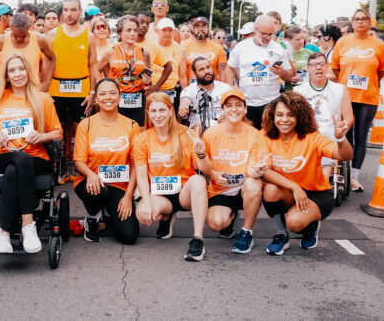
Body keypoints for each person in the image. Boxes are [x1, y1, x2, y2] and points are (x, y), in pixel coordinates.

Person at [0, 52, 63, 253]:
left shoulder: (42, 99)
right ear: (6, 75)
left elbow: (57, 131)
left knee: (17, 167)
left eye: (21, 68)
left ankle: (3, 233)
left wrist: (41, 137)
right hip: (3, 154)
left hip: (36, 156)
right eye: (12, 70)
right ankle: (27, 225)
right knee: (18, 161)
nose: (17, 74)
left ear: (28, 71)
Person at [254, 91, 352, 255]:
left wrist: (341, 139)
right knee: (269, 190)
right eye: (279, 115)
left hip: (317, 193)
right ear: (272, 116)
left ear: (300, 116)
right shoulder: (265, 135)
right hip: (290, 190)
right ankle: (281, 235)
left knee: (294, 223)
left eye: (290, 115)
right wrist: (294, 187)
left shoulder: (312, 138)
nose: (284, 119)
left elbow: (345, 155)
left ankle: (311, 226)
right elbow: (266, 172)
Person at [133, 93, 210, 262]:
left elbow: (207, 170)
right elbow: (140, 174)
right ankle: (166, 217)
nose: (158, 115)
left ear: (170, 111)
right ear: (148, 113)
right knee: (142, 216)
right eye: (153, 111)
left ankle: (198, 239)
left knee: (198, 180)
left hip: (184, 194)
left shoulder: (187, 134)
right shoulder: (141, 139)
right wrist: (145, 201)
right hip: (160, 194)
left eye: (162, 110)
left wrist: (202, 154)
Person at [73, 78, 140, 244]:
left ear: (119, 96)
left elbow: (135, 165)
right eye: (102, 94)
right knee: (98, 190)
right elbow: (78, 161)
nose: (108, 97)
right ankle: (93, 217)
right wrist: (90, 174)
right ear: (96, 98)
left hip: (120, 185)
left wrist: (128, 197)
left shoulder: (132, 125)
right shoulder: (85, 124)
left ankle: (109, 213)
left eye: (112, 93)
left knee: (129, 236)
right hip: (92, 183)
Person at [201, 90, 267, 254]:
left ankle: (247, 232)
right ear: (222, 110)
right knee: (216, 223)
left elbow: (252, 169)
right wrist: (213, 173)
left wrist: (257, 171)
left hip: (245, 189)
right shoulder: (210, 134)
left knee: (253, 183)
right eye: (229, 106)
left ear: (245, 109)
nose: (234, 109)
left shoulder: (255, 135)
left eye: (238, 105)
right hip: (221, 189)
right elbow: (202, 166)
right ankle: (230, 220)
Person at [328, 8, 384, 191]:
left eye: (364, 19)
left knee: (361, 136)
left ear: (370, 22)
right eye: (357, 19)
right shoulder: (343, 42)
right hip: (346, 95)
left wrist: (369, 84)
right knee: (345, 134)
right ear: (352, 23)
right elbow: (335, 68)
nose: (360, 22)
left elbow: (381, 71)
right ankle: (340, 172)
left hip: (368, 96)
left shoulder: (378, 44)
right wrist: (343, 83)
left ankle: (354, 176)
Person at [47, 0, 100, 177]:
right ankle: (59, 168)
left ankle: (81, 167)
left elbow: (93, 65)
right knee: (57, 130)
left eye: (73, 10)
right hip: (57, 88)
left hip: (82, 88)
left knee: (82, 129)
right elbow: (46, 63)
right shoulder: (53, 34)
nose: (68, 14)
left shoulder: (89, 36)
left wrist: (93, 92)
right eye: (66, 10)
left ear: (80, 11)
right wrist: (45, 90)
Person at [224, 15, 295, 130]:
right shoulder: (242, 47)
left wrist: (282, 72)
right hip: (247, 103)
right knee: (249, 140)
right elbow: (229, 68)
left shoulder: (278, 49)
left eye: (270, 34)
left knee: (269, 140)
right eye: (264, 34)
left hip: (270, 102)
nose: (267, 38)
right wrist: (231, 86)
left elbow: (290, 75)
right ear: (255, 29)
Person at [293, 52, 354, 178]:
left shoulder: (340, 89)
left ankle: (323, 182)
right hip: (307, 132)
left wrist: (342, 127)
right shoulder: (298, 91)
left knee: (328, 134)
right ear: (308, 69)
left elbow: (349, 118)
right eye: (314, 65)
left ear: (327, 67)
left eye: (321, 64)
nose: (318, 67)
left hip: (331, 131)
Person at [97, 15, 154, 125]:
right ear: (119, 33)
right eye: (128, 30)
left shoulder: (144, 53)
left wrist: (148, 82)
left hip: (138, 99)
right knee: (117, 132)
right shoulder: (111, 52)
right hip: (116, 99)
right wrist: (101, 89)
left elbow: (149, 79)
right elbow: (95, 71)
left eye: (135, 30)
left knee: (137, 133)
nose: (132, 34)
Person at [0, 12, 55, 91]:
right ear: (10, 27)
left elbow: (52, 59)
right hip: (9, 92)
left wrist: (46, 83)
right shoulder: (1, 41)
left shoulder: (39, 40)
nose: (19, 39)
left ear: (29, 27)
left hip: (34, 91)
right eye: (16, 36)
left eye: (23, 36)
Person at [178, 57, 232, 136]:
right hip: (199, 126)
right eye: (201, 69)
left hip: (221, 123)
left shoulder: (225, 88)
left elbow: (233, 105)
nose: (207, 71)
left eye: (208, 67)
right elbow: (185, 99)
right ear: (195, 73)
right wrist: (183, 106)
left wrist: (226, 117)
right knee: (199, 126)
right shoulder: (189, 89)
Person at [181, 17, 228, 86]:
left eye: (204, 26)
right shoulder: (183, 46)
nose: (200, 29)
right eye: (197, 26)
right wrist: (185, 92)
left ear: (208, 29)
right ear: (193, 29)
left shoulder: (218, 48)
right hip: (191, 90)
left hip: (212, 90)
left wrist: (220, 92)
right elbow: (182, 75)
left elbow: (223, 74)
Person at [151, 18, 184, 102]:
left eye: (170, 30)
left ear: (174, 31)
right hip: (152, 89)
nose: (167, 33)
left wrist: (184, 97)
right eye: (164, 30)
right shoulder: (150, 47)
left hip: (172, 89)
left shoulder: (180, 49)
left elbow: (182, 75)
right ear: (157, 31)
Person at [284, 25, 313, 90]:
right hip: (291, 92)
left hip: (308, 91)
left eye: (302, 38)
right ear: (288, 40)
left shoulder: (310, 53)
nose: (301, 41)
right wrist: (289, 78)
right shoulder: (284, 55)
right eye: (297, 39)